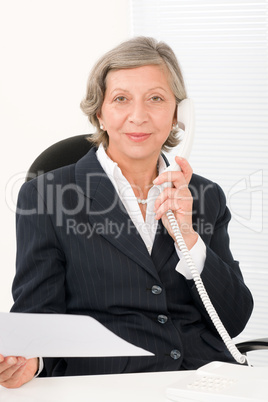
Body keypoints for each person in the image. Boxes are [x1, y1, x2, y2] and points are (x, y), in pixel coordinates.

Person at [0, 36, 253, 388]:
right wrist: (32, 360)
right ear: (99, 112)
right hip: (107, 382)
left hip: (202, 379)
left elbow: (234, 319)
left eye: (156, 99)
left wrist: (189, 239)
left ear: (178, 114)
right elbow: (37, 317)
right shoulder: (46, 195)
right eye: (121, 99)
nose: (139, 116)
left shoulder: (203, 195)